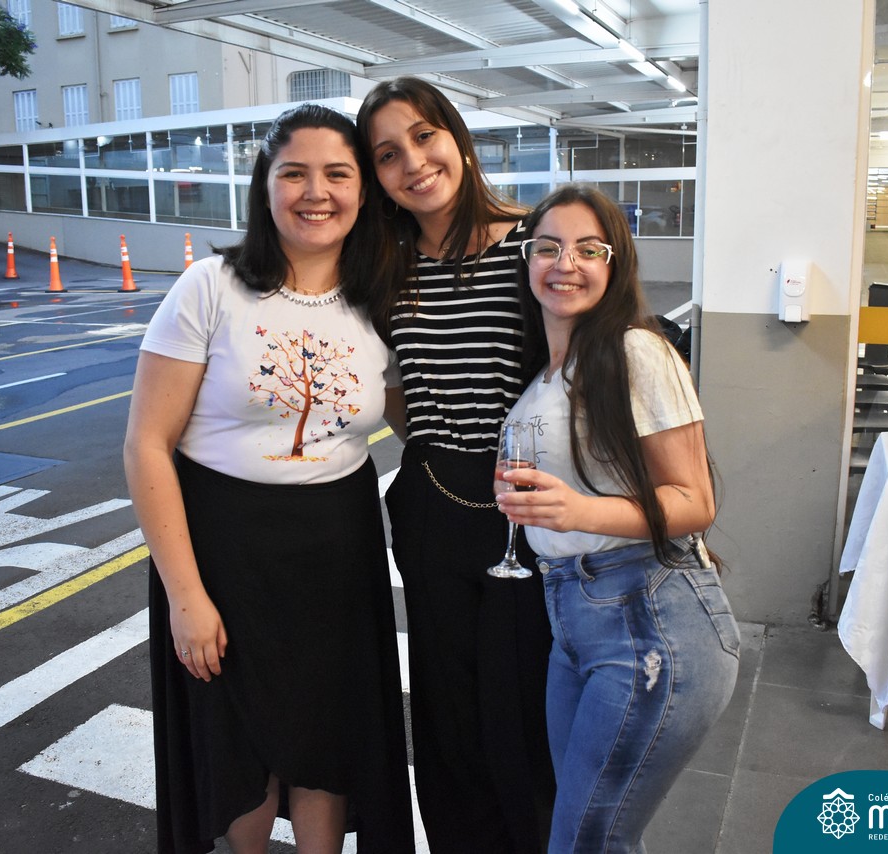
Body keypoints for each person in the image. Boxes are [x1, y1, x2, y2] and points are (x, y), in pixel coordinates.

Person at [124, 103, 413, 854]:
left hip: (338, 551)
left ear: (364, 191)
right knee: (235, 746)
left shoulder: (383, 299)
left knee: (328, 737)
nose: (316, 193)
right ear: (265, 185)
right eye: (295, 174)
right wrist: (185, 597)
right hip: (223, 553)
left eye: (338, 174)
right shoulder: (209, 287)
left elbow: (422, 423)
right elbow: (147, 445)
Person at [496, 184, 741, 853]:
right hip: (570, 618)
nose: (565, 263)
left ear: (616, 263)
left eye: (588, 249)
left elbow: (694, 501)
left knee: (585, 840)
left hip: (649, 616)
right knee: (594, 836)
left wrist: (577, 509)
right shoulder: (545, 375)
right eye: (548, 247)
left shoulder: (637, 350)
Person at [357, 77, 555, 853]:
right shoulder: (388, 265)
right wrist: (443, 447)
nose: (412, 163)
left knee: (525, 705)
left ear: (459, 141)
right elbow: (393, 389)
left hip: (530, 508)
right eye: (387, 154)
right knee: (446, 712)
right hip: (433, 503)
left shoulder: (533, 242)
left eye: (424, 136)